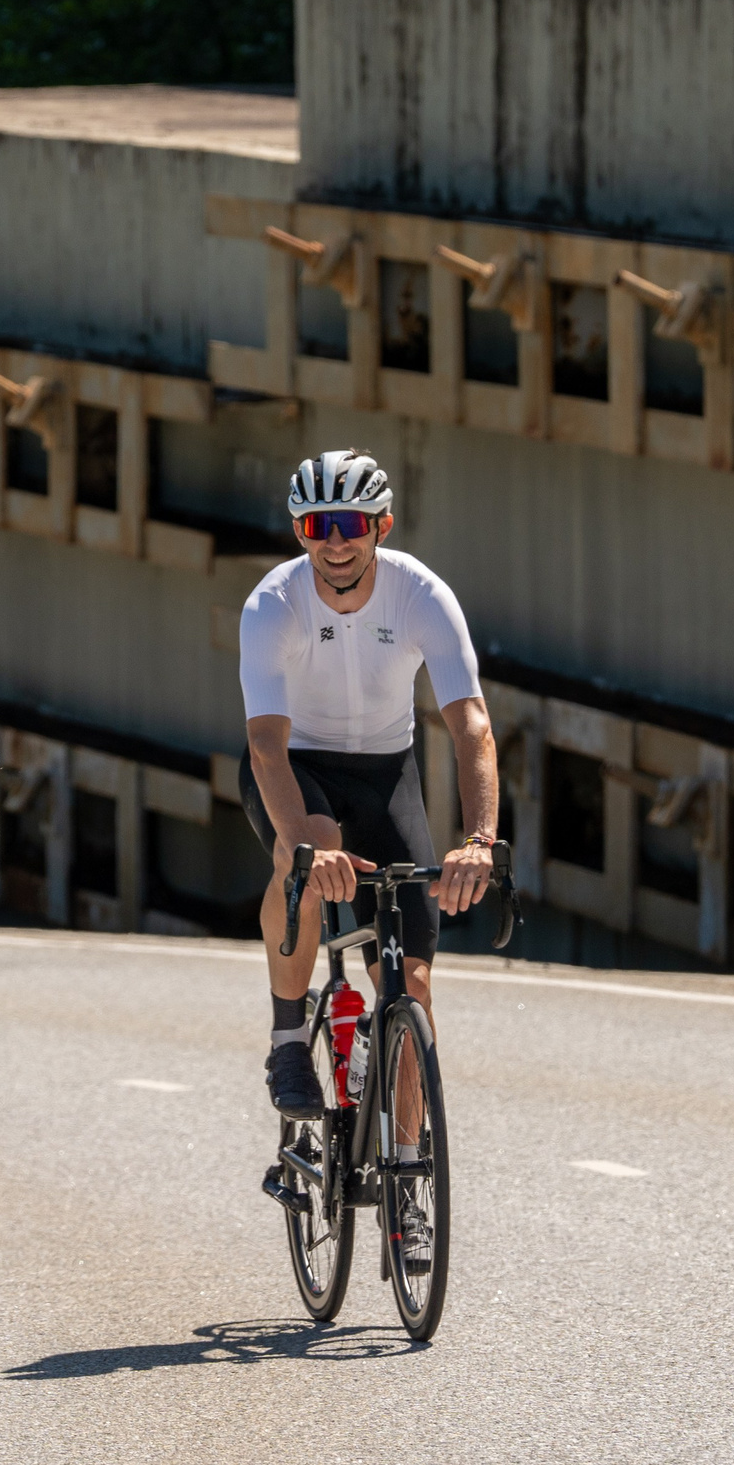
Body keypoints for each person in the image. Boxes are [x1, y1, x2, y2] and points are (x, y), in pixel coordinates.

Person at [238, 450, 500, 1266]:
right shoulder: (272, 604)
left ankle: (409, 1181)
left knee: (413, 985)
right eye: (319, 528)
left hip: (388, 775)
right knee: (311, 844)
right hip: (299, 768)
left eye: (351, 527)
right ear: (300, 531)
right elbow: (265, 745)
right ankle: (289, 1037)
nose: (336, 544)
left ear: (381, 527)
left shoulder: (421, 594)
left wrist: (480, 841)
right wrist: (304, 846)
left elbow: (471, 727)